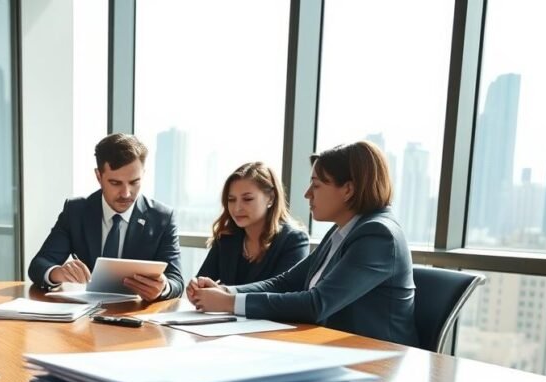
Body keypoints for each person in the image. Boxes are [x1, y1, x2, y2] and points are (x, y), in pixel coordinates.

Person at [188, 140, 418, 347]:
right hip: (334, 349)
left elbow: (317, 304)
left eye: (316, 185)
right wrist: (226, 291)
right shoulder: (341, 231)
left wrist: (230, 302)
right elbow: (286, 282)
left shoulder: (378, 235)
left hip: (376, 360)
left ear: (348, 189)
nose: (307, 194)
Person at [28, 133, 184, 301]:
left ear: (143, 175)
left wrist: (163, 287)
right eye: (115, 183)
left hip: (137, 317)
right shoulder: (76, 211)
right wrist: (58, 273)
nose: (126, 193)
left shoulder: (162, 218)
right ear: (98, 176)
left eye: (134, 182)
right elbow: (39, 265)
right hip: (86, 316)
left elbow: (176, 281)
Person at [195, 162, 308, 286]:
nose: (237, 208)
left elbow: (281, 293)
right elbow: (202, 279)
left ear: (270, 198)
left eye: (247, 199)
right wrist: (195, 286)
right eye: (231, 200)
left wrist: (225, 294)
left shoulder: (293, 240)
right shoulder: (227, 237)